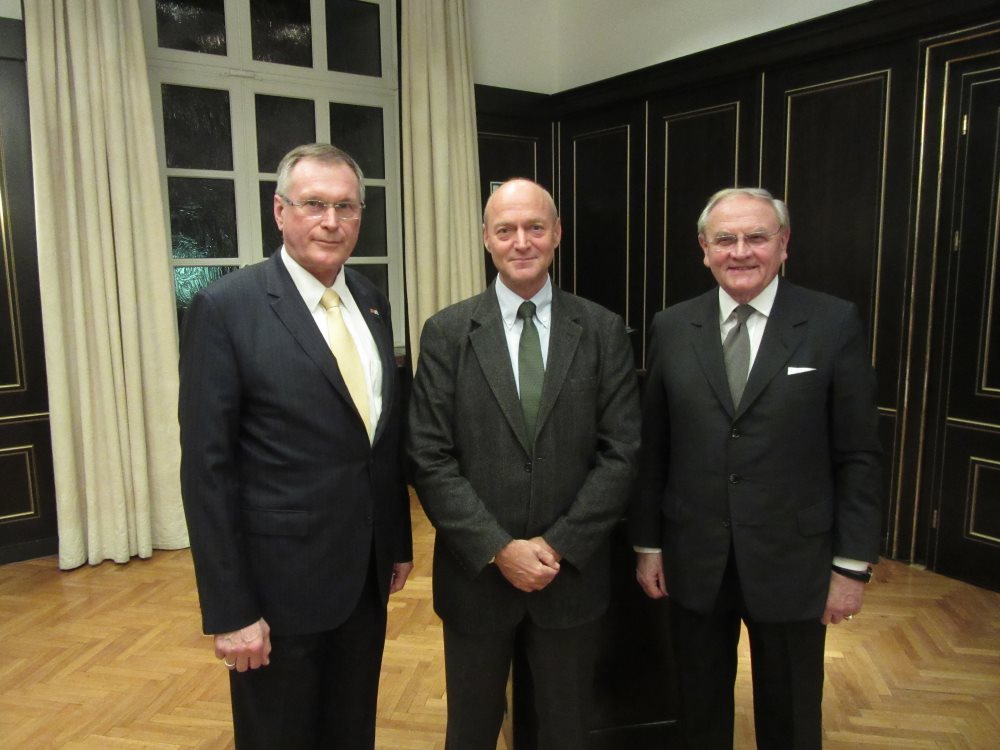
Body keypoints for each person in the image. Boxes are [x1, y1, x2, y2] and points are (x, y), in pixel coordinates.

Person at [178, 143, 413, 750]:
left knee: (351, 729)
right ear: (280, 211)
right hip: (276, 590)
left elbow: (379, 440)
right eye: (314, 204)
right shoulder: (226, 308)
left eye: (346, 206)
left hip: (363, 578)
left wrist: (396, 541)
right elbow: (206, 470)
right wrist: (231, 610)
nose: (331, 221)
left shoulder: (372, 299)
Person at [630, 187, 882, 749]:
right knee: (698, 713)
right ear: (704, 249)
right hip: (695, 558)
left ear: (784, 244)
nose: (740, 251)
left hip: (795, 562)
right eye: (725, 239)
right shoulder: (672, 326)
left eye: (756, 237)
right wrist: (648, 544)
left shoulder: (832, 322)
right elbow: (655, 447)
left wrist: (851, 567)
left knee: (791, 718)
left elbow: (859, 453)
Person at [407, 178, 641, 749]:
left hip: (570, 578)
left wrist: (558, 545)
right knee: (471, 730)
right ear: (486, 238)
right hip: (478, 578)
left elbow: (622, 451)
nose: (521, 242)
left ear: (557, 233)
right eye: (506, 229)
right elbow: (428, 454)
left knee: (566, 730)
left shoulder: (603, 330)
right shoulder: (446, 332)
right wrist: (498, 547)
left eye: (535, 227)